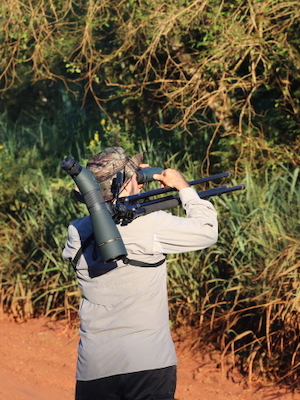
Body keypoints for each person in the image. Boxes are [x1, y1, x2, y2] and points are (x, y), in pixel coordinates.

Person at [62, 147, 218, 400]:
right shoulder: (152, 225)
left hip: (94, 366)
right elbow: (207, 230)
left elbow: (111, 219)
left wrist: (131, 184)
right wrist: (184, 188)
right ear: (125, 184)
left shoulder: (76, 231)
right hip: (148, 362)